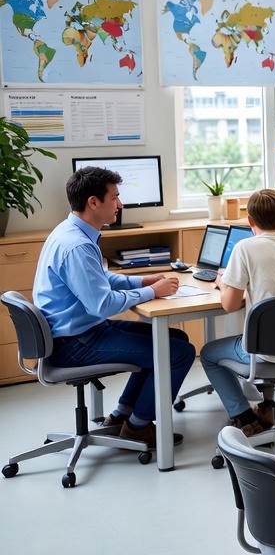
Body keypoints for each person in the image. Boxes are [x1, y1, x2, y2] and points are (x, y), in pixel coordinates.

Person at [32, 166, 194, 447]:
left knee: (172, 339)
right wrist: (150, 291)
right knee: (179, 352)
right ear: (93, 202)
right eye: (115, 197)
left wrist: (141, 280)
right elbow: (102, 304)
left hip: (78, 332)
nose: (120, 204)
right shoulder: (77, 246)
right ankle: (138, 427)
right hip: (75, 342)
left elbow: (99, 278)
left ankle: (123, 414)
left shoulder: (72, 230)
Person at [204, 188, 275, 435]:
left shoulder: (245, 248)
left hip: (267, 354)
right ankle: (267, 405)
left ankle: (243, 416)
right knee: (270, 332)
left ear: (250, 221)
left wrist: (223, 283)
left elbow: (230, 305)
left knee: (208, 353)